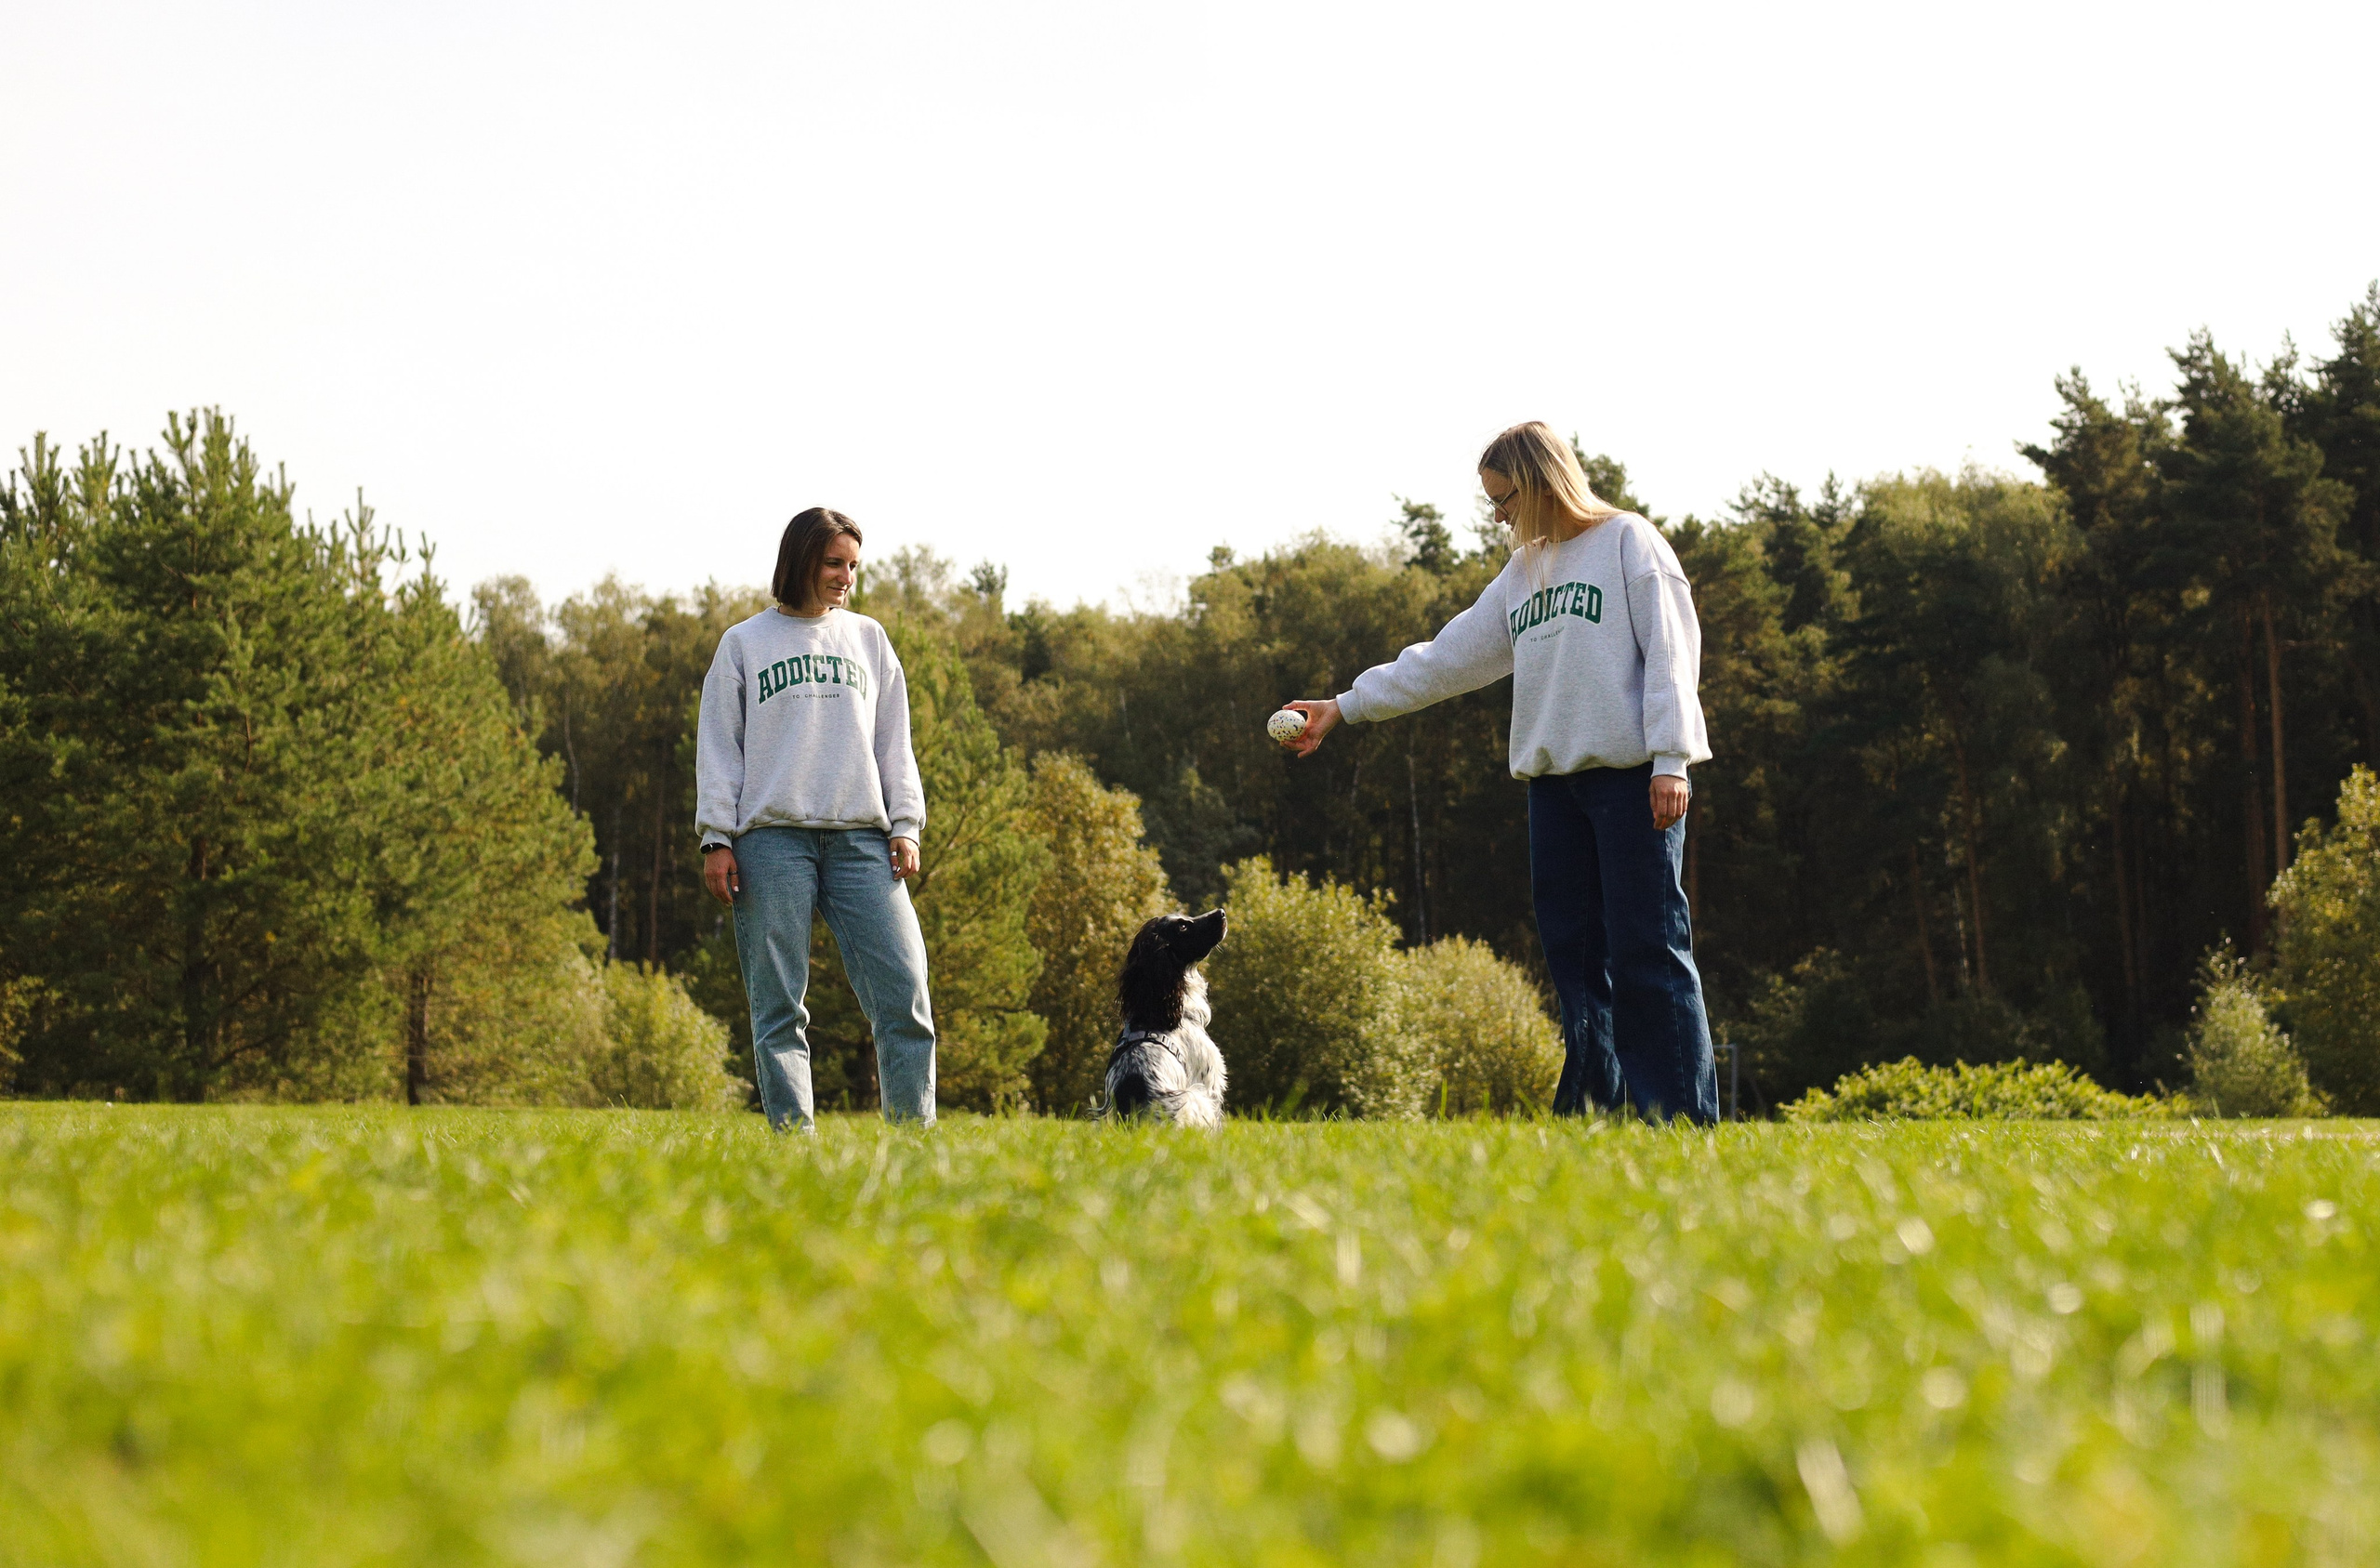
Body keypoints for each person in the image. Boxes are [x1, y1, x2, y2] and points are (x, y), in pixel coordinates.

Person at [1279, 422, 1718, 1123]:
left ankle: (1680, 1124)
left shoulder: (1629, 543)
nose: (1498, 514)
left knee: (1649, 954)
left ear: (1543, 481)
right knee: (1577, 967)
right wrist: (1346, 705)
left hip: (1634, 784)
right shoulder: (1525, 572)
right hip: (1553, 792)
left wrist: (1672, 759)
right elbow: (1448, 657)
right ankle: (1594, 1119)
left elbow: (1672, 655)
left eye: (1504, 496)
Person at [694, 507, 936, 1130]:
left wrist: (905, 823)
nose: (845, 576)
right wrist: (716, 837)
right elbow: (720, 746)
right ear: (801, 558)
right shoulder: (744, 643)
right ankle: (793, 1147)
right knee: (779, 1006)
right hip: (771, 841)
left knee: (905, 996)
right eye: (834, 562)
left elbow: (893, 741)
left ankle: (913, 1146)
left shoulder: (869, 639)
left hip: (862, 839)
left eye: (853, 565)